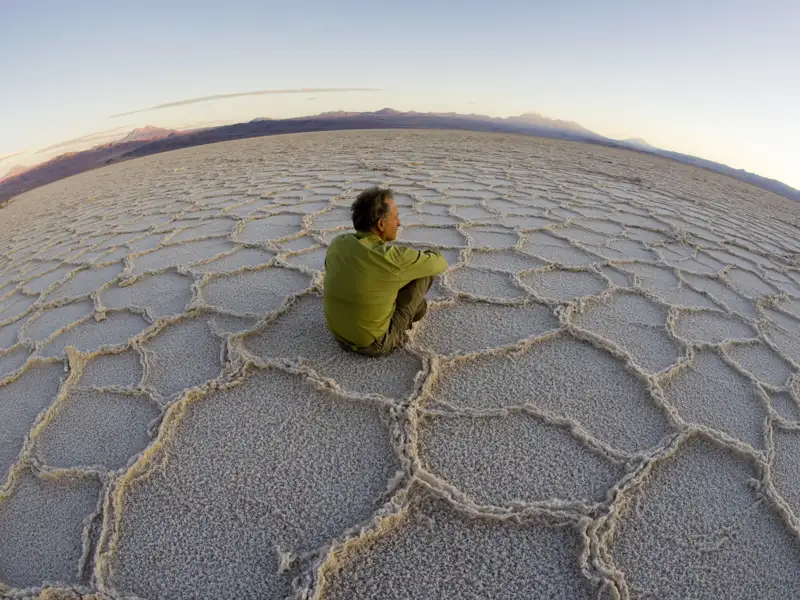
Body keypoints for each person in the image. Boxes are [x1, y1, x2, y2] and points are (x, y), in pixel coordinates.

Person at [323, 187, 448, 356]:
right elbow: (440, 263)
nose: (399, 223)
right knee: (423, 274)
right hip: (374, 344)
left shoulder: (337, 243)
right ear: (381, 224)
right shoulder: (393, 258)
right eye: (396, 217)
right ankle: (414, 311)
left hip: (338, 334)